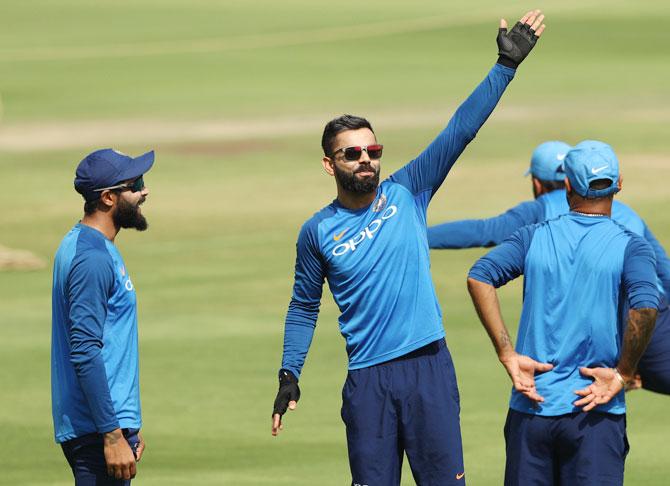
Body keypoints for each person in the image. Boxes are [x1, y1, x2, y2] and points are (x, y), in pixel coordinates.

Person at [270, 10, 546, 485]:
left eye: (372, 151)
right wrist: (289, 373)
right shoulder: (316, 232)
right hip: (368, 381)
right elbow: (303, 307)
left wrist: (505, 67)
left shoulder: (409, 190)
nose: (365, 160)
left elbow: (460, 130)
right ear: (328, 163)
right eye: (352, 153)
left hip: (429, 369)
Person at [466, 141, 659, 485]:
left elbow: (480, 277)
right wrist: (623, 372)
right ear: (619, 184)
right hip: (596, 413)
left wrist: (507, 352)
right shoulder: (631, 245)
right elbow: (645, 306)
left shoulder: (533, 236)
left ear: (567, 186)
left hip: (532, 409)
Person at [427, 140, 670, 393]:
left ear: (537, 184)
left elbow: (483, 231)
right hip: (651, 321)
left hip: (590, 331)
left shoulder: (538, 212)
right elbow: (663, 270)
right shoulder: (624, 211)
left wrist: (416, 233)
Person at [51, 148, 153, 485]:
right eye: (135, 184)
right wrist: (111, 435)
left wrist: (126, 426)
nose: (144, 191)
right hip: (95, 430)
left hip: (105, 425)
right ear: (108, 198)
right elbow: (84, 350)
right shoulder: (91, 258)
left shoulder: (93, 245)